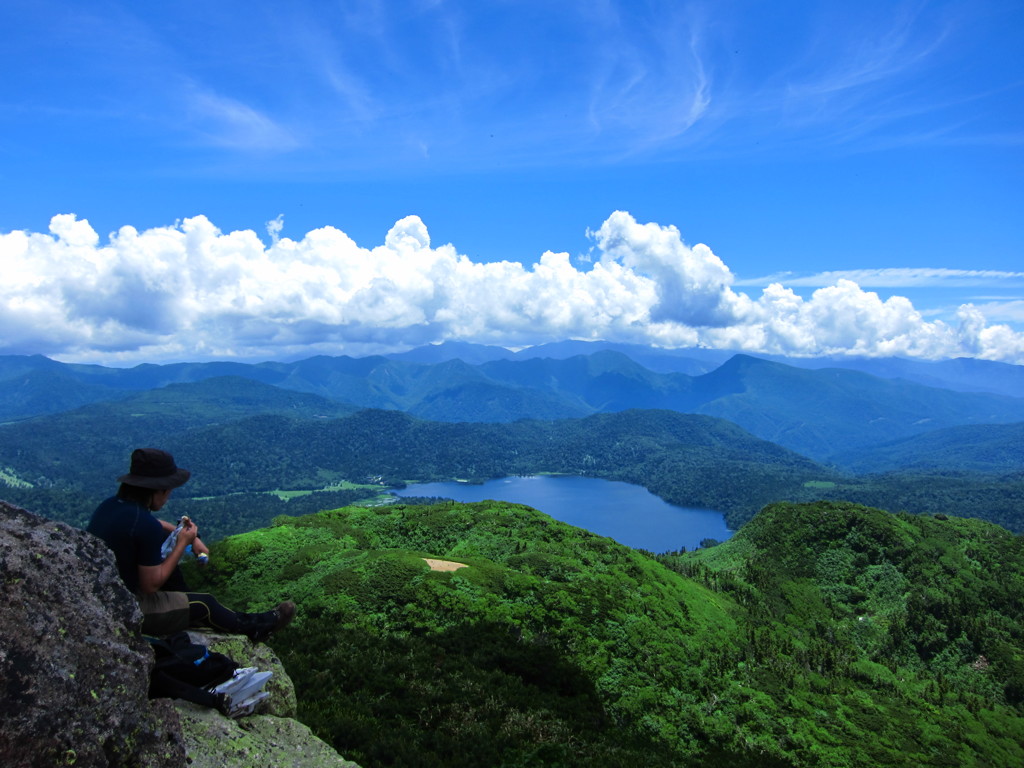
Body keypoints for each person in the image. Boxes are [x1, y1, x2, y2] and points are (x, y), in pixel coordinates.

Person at [87, 447, 295, 640]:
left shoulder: (111, 506)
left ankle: (183, 603)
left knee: (167, 557)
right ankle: (257, 627)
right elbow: (150, 585)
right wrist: (182, 543)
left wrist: (191, 538)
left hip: (100, 594)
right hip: (126, 606)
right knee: (205, 604)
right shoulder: (143, 524)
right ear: (156, 490)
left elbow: (154, 525)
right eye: (168, 490)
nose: (168, 496)